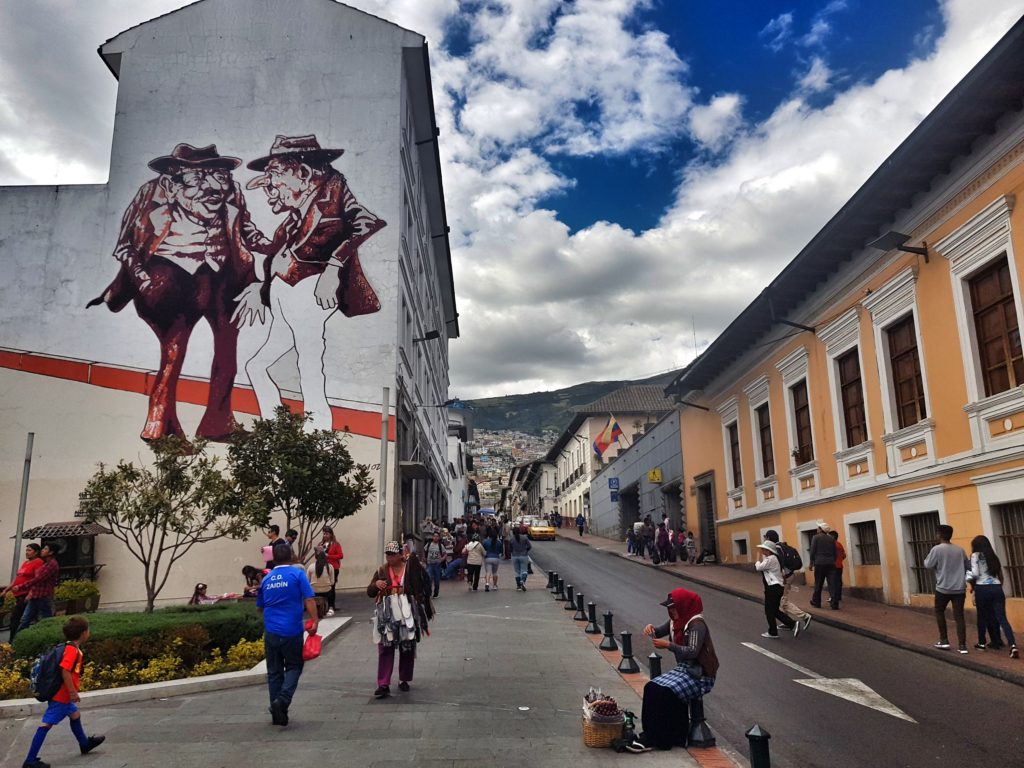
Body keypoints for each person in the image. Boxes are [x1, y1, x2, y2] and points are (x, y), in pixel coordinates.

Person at [87, 143, 266, 441]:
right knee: (173, 350)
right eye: (199, 178)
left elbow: (247, 231)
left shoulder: (232, 193)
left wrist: (284, 246)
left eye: (219, 177)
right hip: (168, 272)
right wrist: (143, 280)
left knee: (227, 346)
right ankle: (159, 426)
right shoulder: (152, 194)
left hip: (221, 273)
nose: (213, 187)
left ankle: (218, 424)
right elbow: (126, 245)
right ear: (173, 183)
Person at [234, 134, 387, 431]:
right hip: (284, 290)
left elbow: (366, 222)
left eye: (276, 176)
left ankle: (316, 432)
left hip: (310, 287)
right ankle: (276, 431)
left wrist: (333, 268)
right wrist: (260, 286)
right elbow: (273, 249)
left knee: (308, 357)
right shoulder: (294, 212)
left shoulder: (335, 192)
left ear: (302, 173)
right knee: (256, 365)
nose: (272, 186)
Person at [631, 588, 718, 753]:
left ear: (684, 606)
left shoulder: (696, 624)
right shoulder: (675, 621)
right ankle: (652, 734)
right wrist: (651, 629)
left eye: (673, 607)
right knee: (652, 687)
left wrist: (669, 645)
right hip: (685, 669)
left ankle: (663, 738)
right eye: (669, 608)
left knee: (666, 692)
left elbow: (692, 651)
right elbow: (658, 631)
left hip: (701, 674)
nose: (671, 611)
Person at [21, 616, 105, 768]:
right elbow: (65, 671)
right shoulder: (72, 651)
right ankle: (30, 760)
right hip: (62, 696)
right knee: (45, 725)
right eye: (88, 630)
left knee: (75, 714)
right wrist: (72, 692)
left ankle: (84, 743)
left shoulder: (67, 647)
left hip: (63, 695)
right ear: (83, 633)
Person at [257, 541, 318, 726]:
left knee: (274, 672)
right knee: (294, 667)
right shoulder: (297, 574)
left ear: (273, 558)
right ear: (291, 556)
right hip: (292, 630)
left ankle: (277, 713)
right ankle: (282, 701)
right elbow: (309, 598)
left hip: (272, 632)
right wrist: (314, 621)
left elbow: (260, 607)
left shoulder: (266, 579)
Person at [367, 540, 433, 697]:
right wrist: (376, 584)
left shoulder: (411, 569)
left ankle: (404, 679)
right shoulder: (382, 570)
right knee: (385, 646)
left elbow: (423, 586)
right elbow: (370, 591)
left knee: (407, 646)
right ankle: (383, 684)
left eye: (392, 554)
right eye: (387, 555)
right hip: (387, 613)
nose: (390, 558)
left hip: (407, 610)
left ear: (400, 554)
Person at [967, 535, 1018, 658]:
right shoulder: (994, 557)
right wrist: (999, 586)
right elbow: (1000, 575)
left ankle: (981, 643)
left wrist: (967, 578)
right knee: (1002, 618)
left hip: (982, 589)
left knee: (982, 617)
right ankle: (1012, 645)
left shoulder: (975, 556)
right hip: (996, 588)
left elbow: (974, 574)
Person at [923, 524, 970, 654]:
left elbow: (928, 564)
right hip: (959, 589)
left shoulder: (936, 549)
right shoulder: (960, 550)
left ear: (939, 535)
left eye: (936, 534)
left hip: (943, 588)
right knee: (959, 616)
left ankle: (944, 640)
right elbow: (967, 566)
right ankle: (962, 646)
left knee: (939, 611)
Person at [765, 530, 812, 635]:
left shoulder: (776, 549)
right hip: (789, 575)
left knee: (783, 602)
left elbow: (780, 564)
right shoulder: (781, 546)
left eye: (766, 538)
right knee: (782, 601)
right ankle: (787, 622)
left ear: (768, 538)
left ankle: (804, 616)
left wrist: (782, 577)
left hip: (785, 577)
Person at [2, 542, 42, 642]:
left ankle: (13, 641)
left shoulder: (38, 562)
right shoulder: (25, 563)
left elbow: (37, 579)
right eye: (26, 550)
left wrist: (31, 593)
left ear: (36, 552)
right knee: (20, 619)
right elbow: (17, 578)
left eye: (29, 550)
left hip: (25, 595)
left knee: (17, 619)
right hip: (18, 594)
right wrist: (6, 590)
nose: (27, 552)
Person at [755, 541, 796, 639]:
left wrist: (757, 562)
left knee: (769, 611)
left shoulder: (770, 559)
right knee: (774, 610)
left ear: (768, 550)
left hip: (772, 588)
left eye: (763, 549)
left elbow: (759, 567)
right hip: (777, 587)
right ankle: (791, 624)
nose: (762, 550)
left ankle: (773, 632)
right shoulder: (775, 558)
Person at [17, 544, 59, 633]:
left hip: (44, 597)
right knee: (25, 620)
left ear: (51, 552)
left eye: (46, 549)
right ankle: (16, 641)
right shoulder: (46, 563)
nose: (43, 550)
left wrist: (21, 586)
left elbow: (38, 579)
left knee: (46, 621)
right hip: (36, 596)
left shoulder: (52, 564)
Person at [808, 522, 838, 610]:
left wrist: (811, 563)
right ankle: (834, 603)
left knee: (818, 583)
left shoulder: (815, 537)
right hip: (831, 564)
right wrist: (832, 561)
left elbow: (812, 551)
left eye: (818, 527)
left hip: (819, 563)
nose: (817, 529)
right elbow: (835, 553)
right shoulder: (831, 539)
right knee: (832, 584)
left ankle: (817, 602)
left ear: (821, 529)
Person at [319, 526, 344, 616]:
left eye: (327, 534)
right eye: (324, 534)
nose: (325, 535)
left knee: (331, 587)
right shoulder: (321, 544)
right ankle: (325, 605)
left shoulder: (335, 544)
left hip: (333, 568)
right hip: (323, 568)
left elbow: (340, 555)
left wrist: (328, 556)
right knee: (324, 586)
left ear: (331, 534)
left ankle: (331, 605)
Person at [306, 548, 335, 618]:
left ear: (316, 557)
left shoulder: (311, 566)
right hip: (327, 591)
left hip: (314, 591)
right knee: (331, 588)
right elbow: (332, 582)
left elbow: (307, 581)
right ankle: (331, 607)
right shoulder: (330, 567)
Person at [423, 532, 446, 599]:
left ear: (439, 538)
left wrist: (442, 559)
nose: (435, 537)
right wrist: (424, 558)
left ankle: (436, 593)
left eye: (437, 536)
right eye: (434, 536)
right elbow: (424, 551)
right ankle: (429, 592)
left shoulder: (440, 545)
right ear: (432, 537)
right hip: (430, 564)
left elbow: (445, 554)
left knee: (436, 580)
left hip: (437, 565)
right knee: (429, 578)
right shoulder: (429, 544)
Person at [510, 526, 533, 591]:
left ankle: (518, 586)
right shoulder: (524, 537)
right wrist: (525, 551)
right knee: (524, 570)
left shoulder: (511, 539)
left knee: (517, 571)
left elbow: (510, 549)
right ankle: (522, 581)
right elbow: (529, 546)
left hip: (515, 556)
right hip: (524, 555)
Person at [483, 526, 503, 592]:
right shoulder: (499, 542)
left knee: (488, 572)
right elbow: (501, 551)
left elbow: (484, 550)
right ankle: (494, 585)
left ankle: (487, 583)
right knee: (495, 572)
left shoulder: (485, 541)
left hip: (488, 558)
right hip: (496, 558)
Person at [829, 530, 846, 606]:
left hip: (833, 566)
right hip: (840, 565)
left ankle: (834, 597)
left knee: (833, 582)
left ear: (832, 537)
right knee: (838, 582)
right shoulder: (839, 544)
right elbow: (844, 555)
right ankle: (838, 596)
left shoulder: (832, 545)